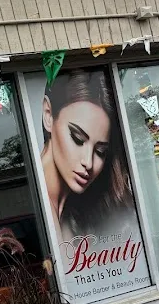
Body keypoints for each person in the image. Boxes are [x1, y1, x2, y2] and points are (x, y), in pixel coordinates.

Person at [40, 69, 133, 243]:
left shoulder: (75, 215)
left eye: (100, 152)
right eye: (77, 139)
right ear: (48, 116)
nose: (88, 162)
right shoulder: (38, 208)